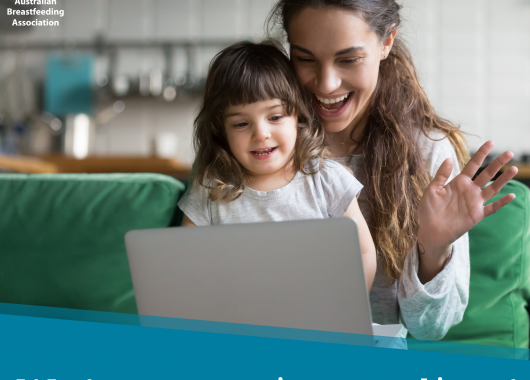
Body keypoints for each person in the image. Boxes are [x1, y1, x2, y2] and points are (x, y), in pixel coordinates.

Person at [267, 0, 518, 340]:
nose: (326, 84)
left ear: (386, 42)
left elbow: (431, 329)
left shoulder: (428, 151)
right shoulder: (266, 144)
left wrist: (434, 248)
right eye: (305, 59)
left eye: (349, 59)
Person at [178, 41, 377, 290]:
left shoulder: (326, 179)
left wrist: (348, 303)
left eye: (275, 117)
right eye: (241, 124)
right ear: (222, 131)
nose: (261, 134)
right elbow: (186, 263)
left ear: (298, 117)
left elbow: (363, 254)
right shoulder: (210, 188)